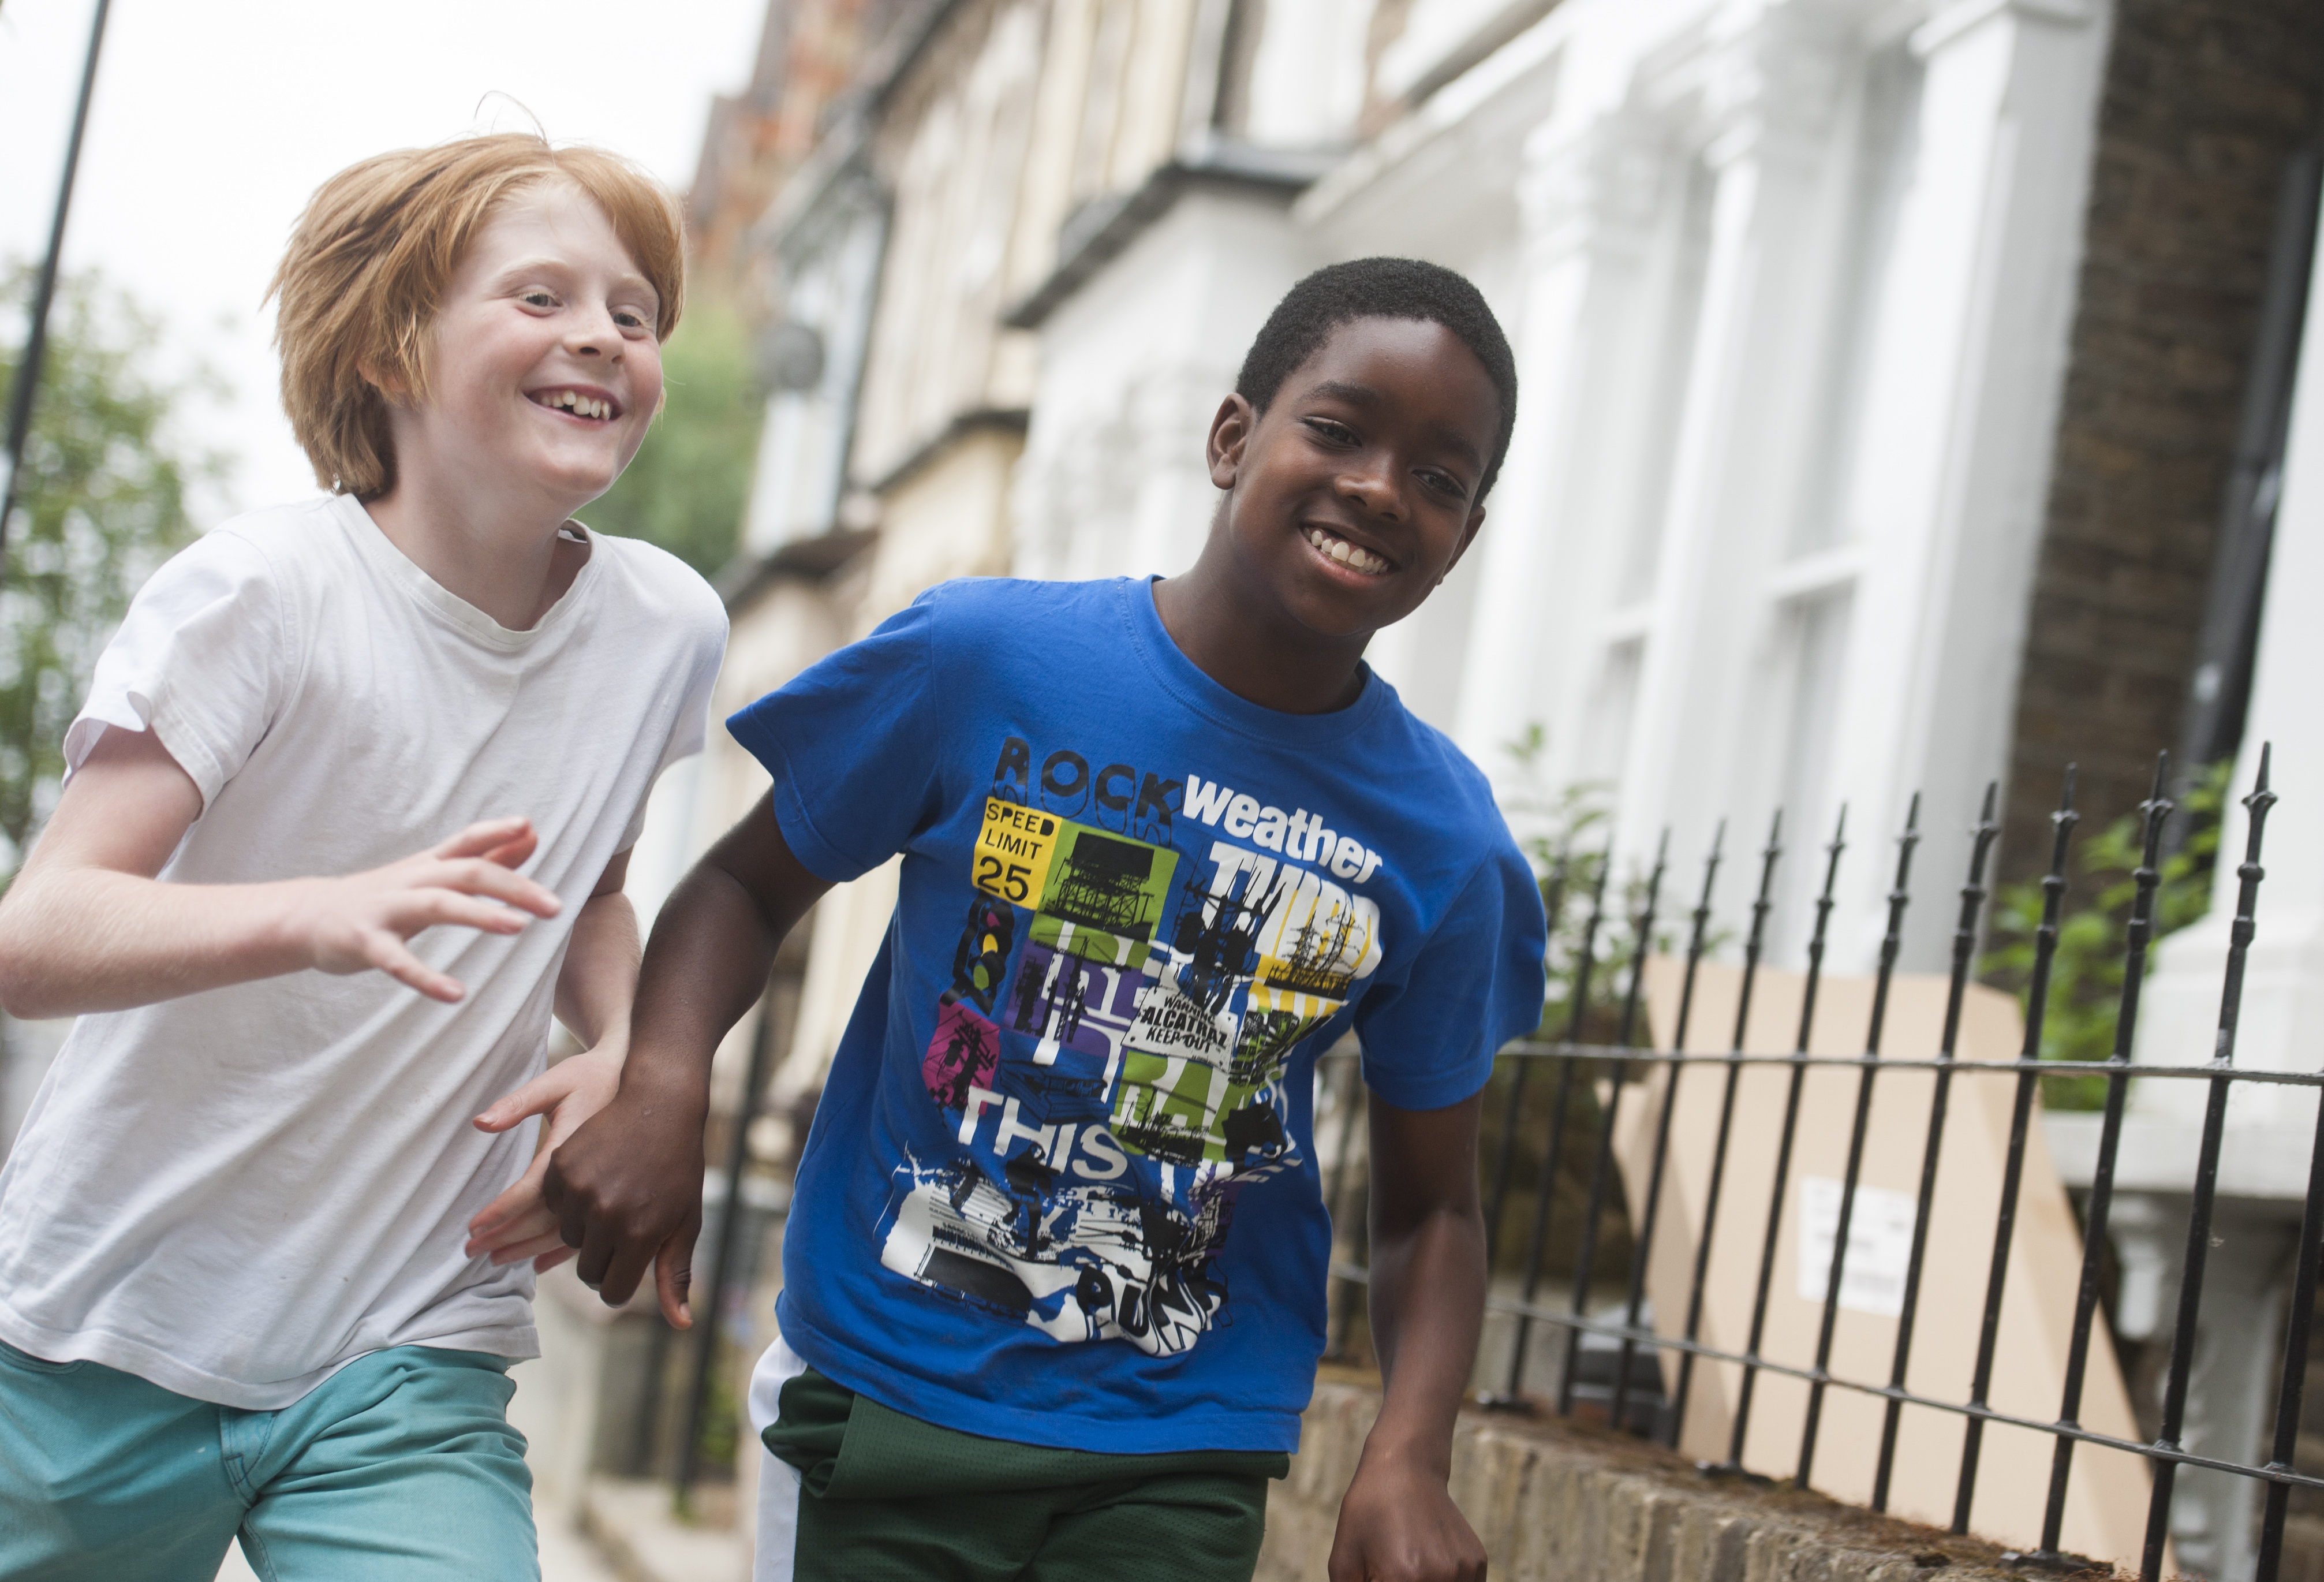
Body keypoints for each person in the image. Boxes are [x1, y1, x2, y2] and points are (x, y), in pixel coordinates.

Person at [546, 257, 1550, 1582]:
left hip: (1175, 1452)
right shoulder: (982, 661)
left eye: (1438, 476)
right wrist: (668, 1080)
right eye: (1338, 428)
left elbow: (1433, 1214)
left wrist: (1410, 1453)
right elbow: (742, 885)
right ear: (1232, 437)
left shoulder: (1446, 842)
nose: (1378, 487)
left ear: (1465, 534)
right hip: (886, 1395)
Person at [0, 133, 727, 1581]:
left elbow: (587, 890)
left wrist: (630, 1052)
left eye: (633, 312)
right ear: (390, 348)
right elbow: (36, 935)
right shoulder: (263, 593)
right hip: (103, 1334)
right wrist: (317, 914)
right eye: (540, 296)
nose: (601, 333)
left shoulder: (664, 628)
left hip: (408, 1349)